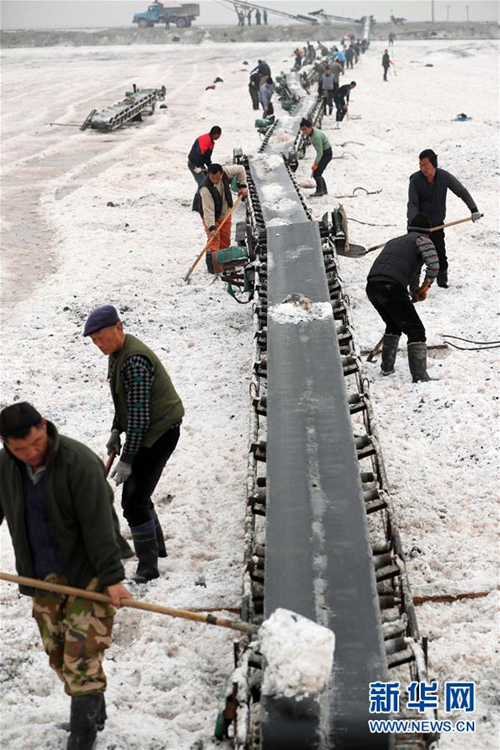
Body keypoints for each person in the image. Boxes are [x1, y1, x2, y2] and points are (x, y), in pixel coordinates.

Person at [0, 401, 131, 750]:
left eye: (35, 444)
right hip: (43, 576)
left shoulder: (80, 463)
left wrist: (113, 578)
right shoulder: (6, 466)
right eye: (19, 449)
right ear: (6, 445)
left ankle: (82, 735)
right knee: (58, 654)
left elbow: (100, 526)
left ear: (44, 426)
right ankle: (93, 712)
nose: (30, 453)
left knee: (82, 657)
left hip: (88, 573)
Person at [83, 305, 184, 584]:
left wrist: (127, 459)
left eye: (102, 336)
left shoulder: (134, 361)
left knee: (133, 499)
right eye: (94, 341)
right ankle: (158, 548)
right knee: (139, 493)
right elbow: (124, 400)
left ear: (119, 327)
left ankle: (148, 567)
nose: (99, 344)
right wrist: (116, 429)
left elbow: (139, 419)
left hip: (160, 432)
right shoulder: (117, 355)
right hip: (147, 428)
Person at [366, 213, 440, 382]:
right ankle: (420, 376)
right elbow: (434, 266)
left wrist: (414, 291)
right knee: (416, 330)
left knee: (393, 325)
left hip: (372, 286)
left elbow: (410, 270)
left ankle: (386, 368)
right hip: (391, 286)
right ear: (427, 232)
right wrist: (426, 287)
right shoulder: (423, 240)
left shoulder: (395, 241)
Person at [407, 149, 481, 288]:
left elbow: (461, 191)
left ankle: (442, 282)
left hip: (437, 225)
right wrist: (413, 227)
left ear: (433, 164)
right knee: (415, 257)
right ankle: (414, 286)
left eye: (425, 165)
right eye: (420, 165)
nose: (422, 168)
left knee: (440, 254)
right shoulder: (415, 180)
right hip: (418, 227)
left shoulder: (444, 177)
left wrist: (474, 209)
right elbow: (412, 205)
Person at [192, 163, 248, 270]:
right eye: (212, 179)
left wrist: (243, 185)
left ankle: (224, 263)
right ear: (208, 175)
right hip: (210, 215)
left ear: (222, 174)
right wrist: (212, 227)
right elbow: (208, 210)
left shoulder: (226, 172)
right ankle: (213, 268)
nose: (215, 181)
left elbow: (241, 169)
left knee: (225, 238)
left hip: (225, 212)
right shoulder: (205, 189)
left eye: (217, 178)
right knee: (214, 240)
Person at [300, 118, 332, 197]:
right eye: (302, 130)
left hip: (326, 153)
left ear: (310, 127)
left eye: (305, 129)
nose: (304, 132)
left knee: (317, 173)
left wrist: (316, 163)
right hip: (325, 152)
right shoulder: (312, 132)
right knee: (318, 172)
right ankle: (323, 190)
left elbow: (320, 152)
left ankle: (319, 191)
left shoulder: (316, 137)